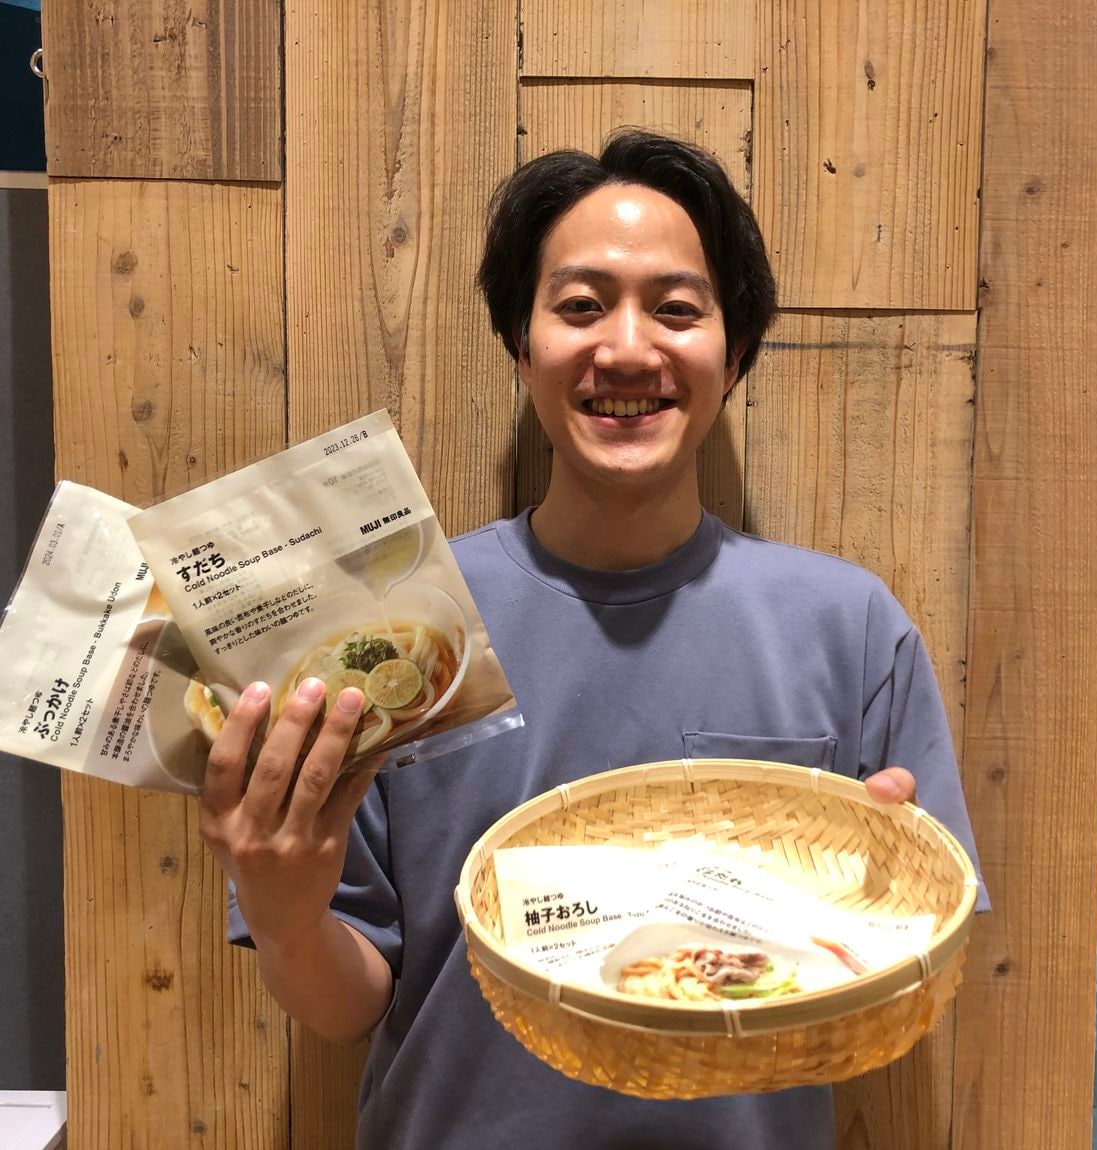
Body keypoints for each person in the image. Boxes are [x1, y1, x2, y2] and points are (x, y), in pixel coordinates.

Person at [200, 129, 985, 1149]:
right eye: (579, 306)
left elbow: (909, 967)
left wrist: (876, 902)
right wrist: (289, 915)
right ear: (519, 347)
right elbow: (351, 1005)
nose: (625, 348)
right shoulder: (404, 634)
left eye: (677, 309)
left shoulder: (848, 626)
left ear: (733, 355)